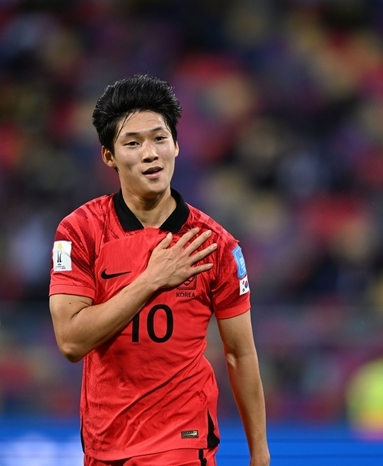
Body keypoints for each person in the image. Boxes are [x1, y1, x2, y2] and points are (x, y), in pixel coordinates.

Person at [48, 74, 270, 466]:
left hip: (182, 441)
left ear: (176, 145)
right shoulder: (79, 232)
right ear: (109, 156)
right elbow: (70, 342)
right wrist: (151, 280)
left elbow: (240, 353)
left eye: (159, 138)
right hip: (104, 444)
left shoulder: (216, 244)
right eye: (133, 143)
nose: (150, 153)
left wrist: (260, 454)